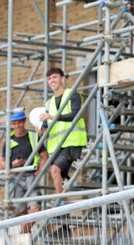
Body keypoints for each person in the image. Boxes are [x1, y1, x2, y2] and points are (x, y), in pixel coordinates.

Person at [39, 66, 87, 196]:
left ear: (62, 79)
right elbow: (45, 126)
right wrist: (40, 129)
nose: (51, 80)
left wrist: (52, 117)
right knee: (60, 176)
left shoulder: (72, 95)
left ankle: (60, 204)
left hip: (71, 142)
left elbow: (74, 115)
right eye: (49, 78)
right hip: (56, 146)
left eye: (54, 77)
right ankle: (65, 203)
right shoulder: (48, 103)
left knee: (55, 170)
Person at [0, 108, 43, 221]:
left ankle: (25, 234)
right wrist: (13, 164)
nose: (17, 126)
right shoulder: (9, 140)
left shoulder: (33, 136)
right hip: (16, 179)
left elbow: (45, 157)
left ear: (24, 122)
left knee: (34, 209)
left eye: (19, 122)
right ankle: (25, 236)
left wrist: (39, 171)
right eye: (14, 123)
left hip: (31, 177)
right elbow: (2, 163)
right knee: (21, 213)